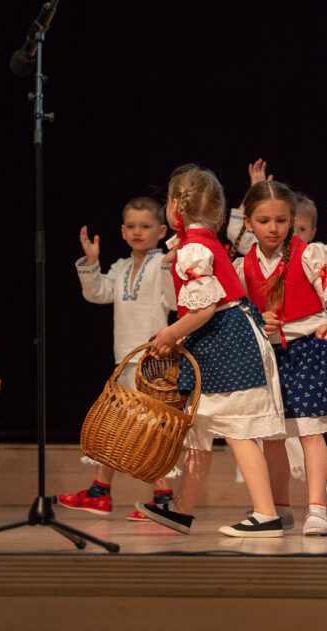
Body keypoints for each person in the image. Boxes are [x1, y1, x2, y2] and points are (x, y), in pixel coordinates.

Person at [135, 164, 286, 537]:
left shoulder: (194, 248)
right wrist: (179, 334)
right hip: (217, 342)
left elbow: (203, 309)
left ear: (175, 206)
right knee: (199, 429)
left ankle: (266, 514)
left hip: (227, 344)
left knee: (237, 430)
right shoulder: (197, 243)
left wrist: (171, 333)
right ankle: (182, 509)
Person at [228, 159, 327, 518]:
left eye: (282, 221)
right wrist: (256, 318)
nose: (274, 228)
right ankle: (280, 508)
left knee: (310, 433)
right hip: (269, 357)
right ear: (248, 223)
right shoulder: (243, 265)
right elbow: (234, 313)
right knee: (273, 437)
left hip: (309, 350)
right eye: (264, 221)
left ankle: (317, 508)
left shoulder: (308, 254)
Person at [58, 197, 177, 521]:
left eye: (146, 226)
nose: (138, 232)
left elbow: (173, 300)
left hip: (153, 360)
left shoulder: (162, 262)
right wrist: (91, 263)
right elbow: (98, 293)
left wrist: (169, 267)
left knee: (152, 429)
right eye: (132, 226)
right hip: (125, 359)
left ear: (161, 231)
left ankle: (163, 499)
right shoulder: (122, 267)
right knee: (115, 426)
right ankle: (100, 492)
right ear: (123, 231)